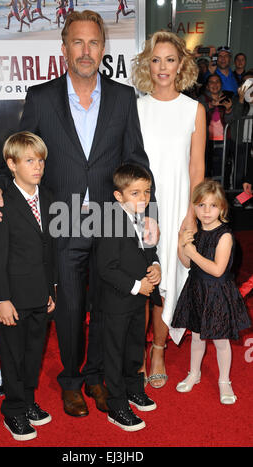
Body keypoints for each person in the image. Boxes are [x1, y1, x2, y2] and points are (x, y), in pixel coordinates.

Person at [0, 10, 155, 418]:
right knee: (72, 308)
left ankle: (98, 375)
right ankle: (72, 382)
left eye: (93, 43)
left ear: (103, 49)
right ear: (64, 49)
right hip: (62, 220)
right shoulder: (42, 97)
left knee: (110, 303)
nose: (86, 51)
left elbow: (136, 160)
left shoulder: (122, 96)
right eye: (77, 42)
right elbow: (21, 149)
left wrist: (150, 212)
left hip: (113, 223)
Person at [131, 30, 205, 388]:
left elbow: (197, 169)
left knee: (167, 282)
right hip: (139, 207)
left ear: (181, 65)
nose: (163, 67)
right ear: (148, 64)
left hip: (177, 206)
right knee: (141, 279)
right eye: (156, 60)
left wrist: (190, 217)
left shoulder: (194, 110)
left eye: (170, 59)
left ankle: (158, 349)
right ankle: (136, 352)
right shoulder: (135, 107)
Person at [0, 131, 57, 441]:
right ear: (11, 165)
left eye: (40, 160)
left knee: (33, 353)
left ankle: (28, 402)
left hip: (41, 293)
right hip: (13, 296)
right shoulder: (0, 203)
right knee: (13, 355)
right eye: (29, 161)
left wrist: (51, 290)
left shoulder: (49, 197)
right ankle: (13, 411)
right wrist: (2, 299)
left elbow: (51, 250)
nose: (37, 166)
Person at [171, 180, 251, 404]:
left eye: (213, 206)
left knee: (220, 340)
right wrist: (181, 246)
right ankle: (194, 373)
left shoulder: (225, 236)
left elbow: (217, 270)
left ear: (222, 209)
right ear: (194, 208)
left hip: (217, 293)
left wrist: (192, 252)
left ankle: (224, 381)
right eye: (201, 205)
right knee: (196, 336)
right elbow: (187, 264)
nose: (206, 211)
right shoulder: (195, 233)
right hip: (196, 290)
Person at [97, 164, 161, 432]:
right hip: (117, 301)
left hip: (137, 300)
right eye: (135, 193)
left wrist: (156, 266)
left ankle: (134, 389)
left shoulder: (142, 218)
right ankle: (116, 404)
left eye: (146, 192)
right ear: (119, 196)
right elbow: (106, 268)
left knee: (135, 346)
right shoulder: (110, 222)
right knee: (114, 352)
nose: (143, 198)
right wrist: (138, 286)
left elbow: (149, 251)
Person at [198, 73, 234, 178]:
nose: (215, 84)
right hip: (206, 140)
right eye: (211, 82)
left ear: (221, 84)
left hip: (224, 139)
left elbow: (230, 121)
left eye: (217, 81)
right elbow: (197, 116)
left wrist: (228, 110)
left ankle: (220, 193)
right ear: (207, 86)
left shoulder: (227, 99)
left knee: (222, 171)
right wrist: (210, 105)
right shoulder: (202, 99)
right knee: (206, 170)